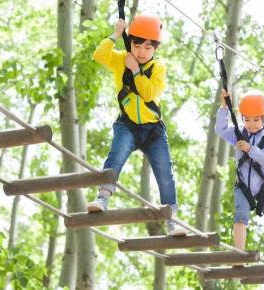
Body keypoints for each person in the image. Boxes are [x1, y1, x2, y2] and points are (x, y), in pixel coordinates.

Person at [86, 15, 186, 236]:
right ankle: (102, 197)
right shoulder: (120, 59)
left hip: (153, 130)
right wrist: (115, 34)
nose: (141, 52)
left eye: (147, 47)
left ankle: (172, 219)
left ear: (155, 48)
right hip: (128, 124)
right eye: (136, 45)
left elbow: (150, 93)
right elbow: (99, 55)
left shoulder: (158, 67)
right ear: (130, 44)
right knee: (117, 154)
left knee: (164, 172)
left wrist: (135, 71)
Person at [214, 89, 264, 264]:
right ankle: (239, 256)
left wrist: (250, 149)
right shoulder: (239, 133)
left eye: (256, 120)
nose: (251, 124)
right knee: (240, 216)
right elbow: (220, 129)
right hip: (243, 186)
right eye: (247, 120)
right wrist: (224, 107)